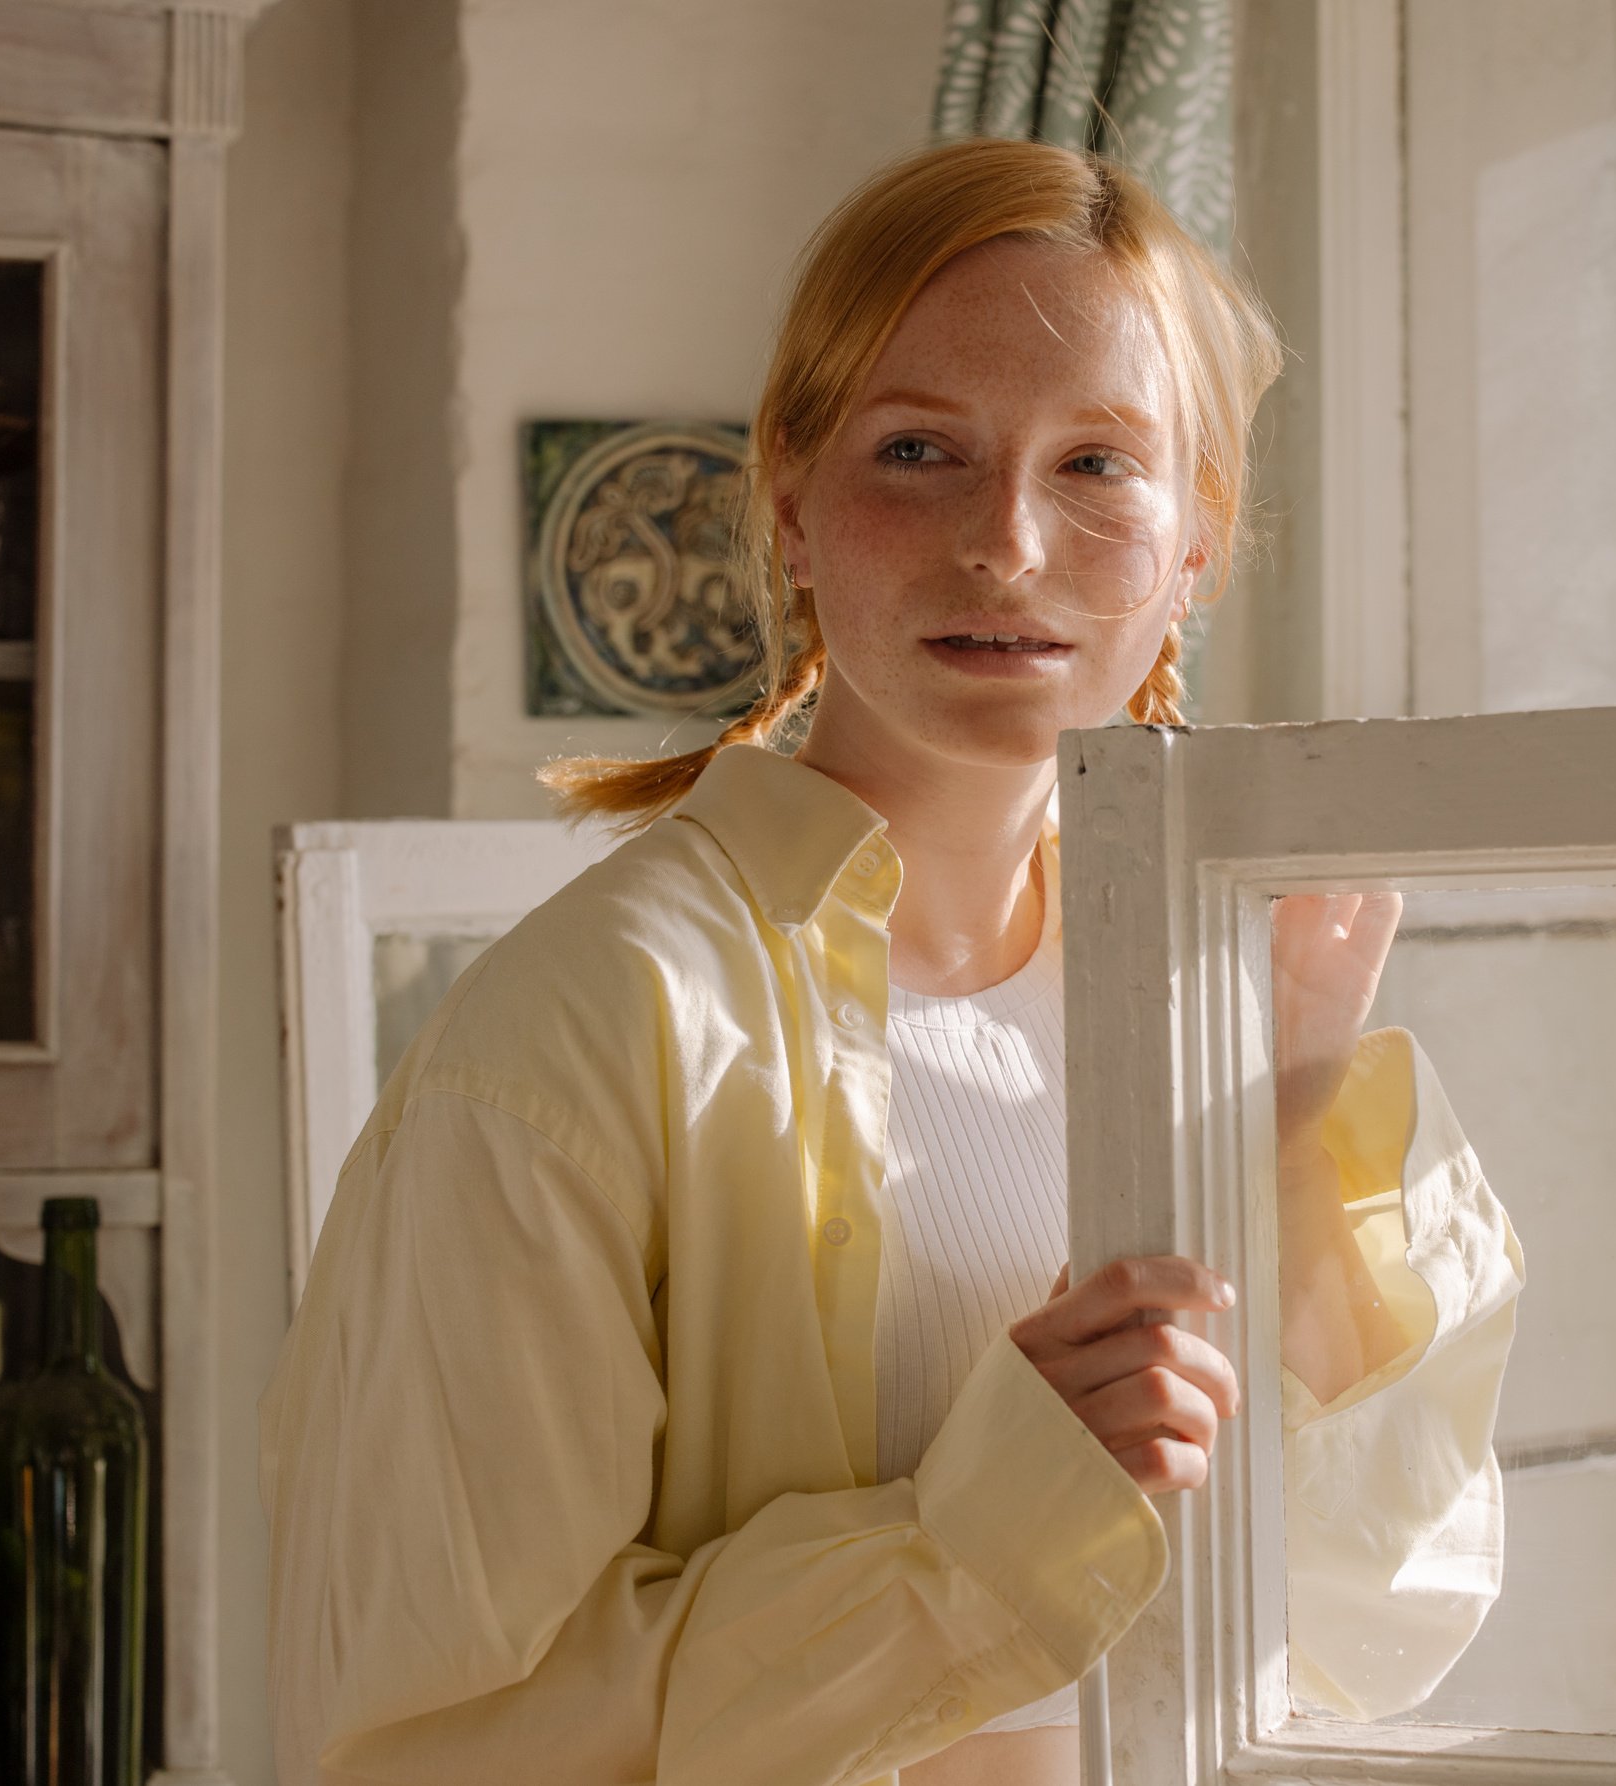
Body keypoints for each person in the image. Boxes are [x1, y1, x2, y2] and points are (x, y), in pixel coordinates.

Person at [260, 137, 1524, 1786]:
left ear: (1196, 543)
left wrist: (1277, 1120)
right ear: (788, 504)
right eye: (919, 447)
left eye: (1096, 465)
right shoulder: (584, 1029)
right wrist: (979, 1537)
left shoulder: (1215, 991)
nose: (1004, 541)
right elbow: (424, 1744)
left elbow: (1371, 1604)